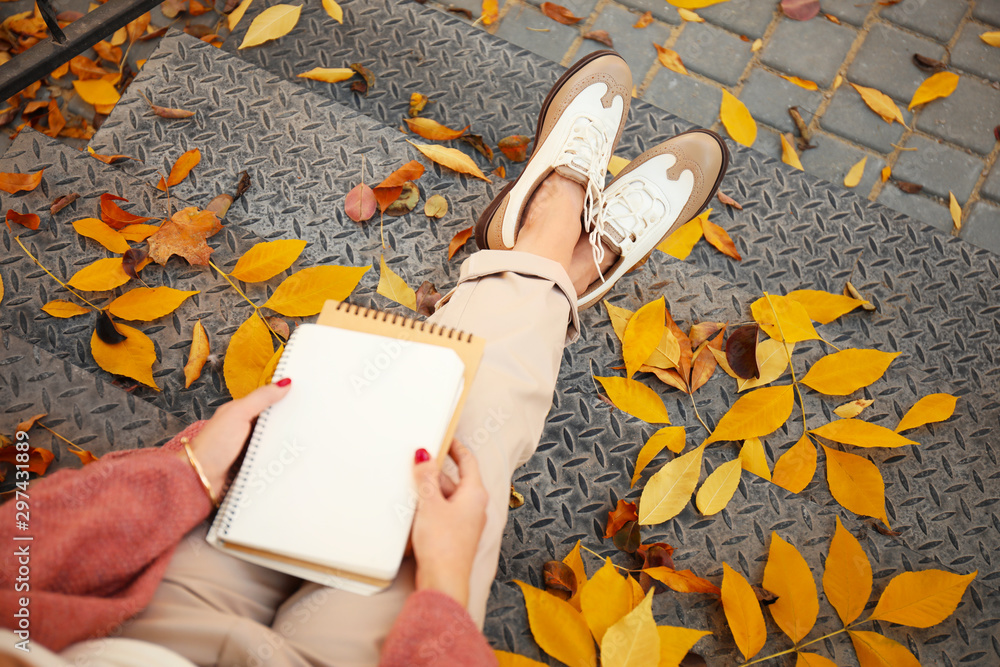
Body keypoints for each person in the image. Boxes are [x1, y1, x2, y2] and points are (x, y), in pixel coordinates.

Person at [0, 50, 726, 666]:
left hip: (126, 624)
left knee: (367, 421)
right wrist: (442, 582)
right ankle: (555, 251)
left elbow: (15, 556)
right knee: (464, 442)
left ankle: (551, 251)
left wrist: (182, 471)